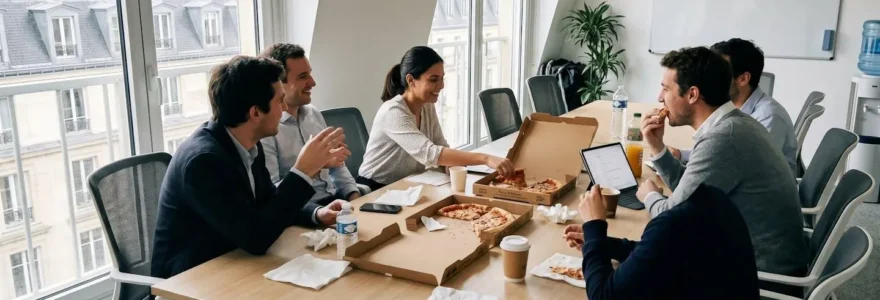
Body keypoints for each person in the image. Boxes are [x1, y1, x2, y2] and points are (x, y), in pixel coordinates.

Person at [152, 56, 350, 279]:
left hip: (234, 261)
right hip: (191, 278)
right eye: (279, 101)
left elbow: (268, 202)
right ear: (255, 113)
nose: (285, 108)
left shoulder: (249, 143)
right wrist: (302, 172)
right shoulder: (203, 161)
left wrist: (316, 213)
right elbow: (256, 237)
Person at [636, 47, 808, 279]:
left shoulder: (723, 139)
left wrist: (649, 195)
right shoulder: (735, 123)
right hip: (754, 252)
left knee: (636, 269)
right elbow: (691, 193)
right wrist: (658, 148)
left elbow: (671, 219)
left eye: (666, 89)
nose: (659, 97)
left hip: (760, 276)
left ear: (693, 94)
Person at [357, 46, 514, 190]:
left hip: (406, 186)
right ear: (411, 80)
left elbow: (440, 144)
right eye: (433, 79)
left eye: (442, 78)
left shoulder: (426, 105)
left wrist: (451, 167)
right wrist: (485, 158)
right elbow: (431, 154)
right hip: (375, 189)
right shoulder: (393, 112)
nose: (441, 85)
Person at [563, 184, 759, 299]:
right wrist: (598, 242)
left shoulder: (671, 223)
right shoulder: (712, 198)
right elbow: (655, 253)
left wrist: (594, 225)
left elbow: (602, 296)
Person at [669, 39, 797, 176]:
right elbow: (720, 151)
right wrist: (681, 155)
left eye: (720, 74)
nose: (711, 80)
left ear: (743, 79)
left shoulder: (768, 117)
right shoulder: (729, 108)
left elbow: (738, 167)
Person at [259, 43, 361, 205]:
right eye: (302, 77)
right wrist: (316, 165)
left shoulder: (313, 113)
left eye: (310, 74)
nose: (312, 82)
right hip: (303, 212)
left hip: (335, 201)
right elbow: (273, 193)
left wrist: (355, 199)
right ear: (279, 84)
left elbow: (337, 166)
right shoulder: (266, 129)